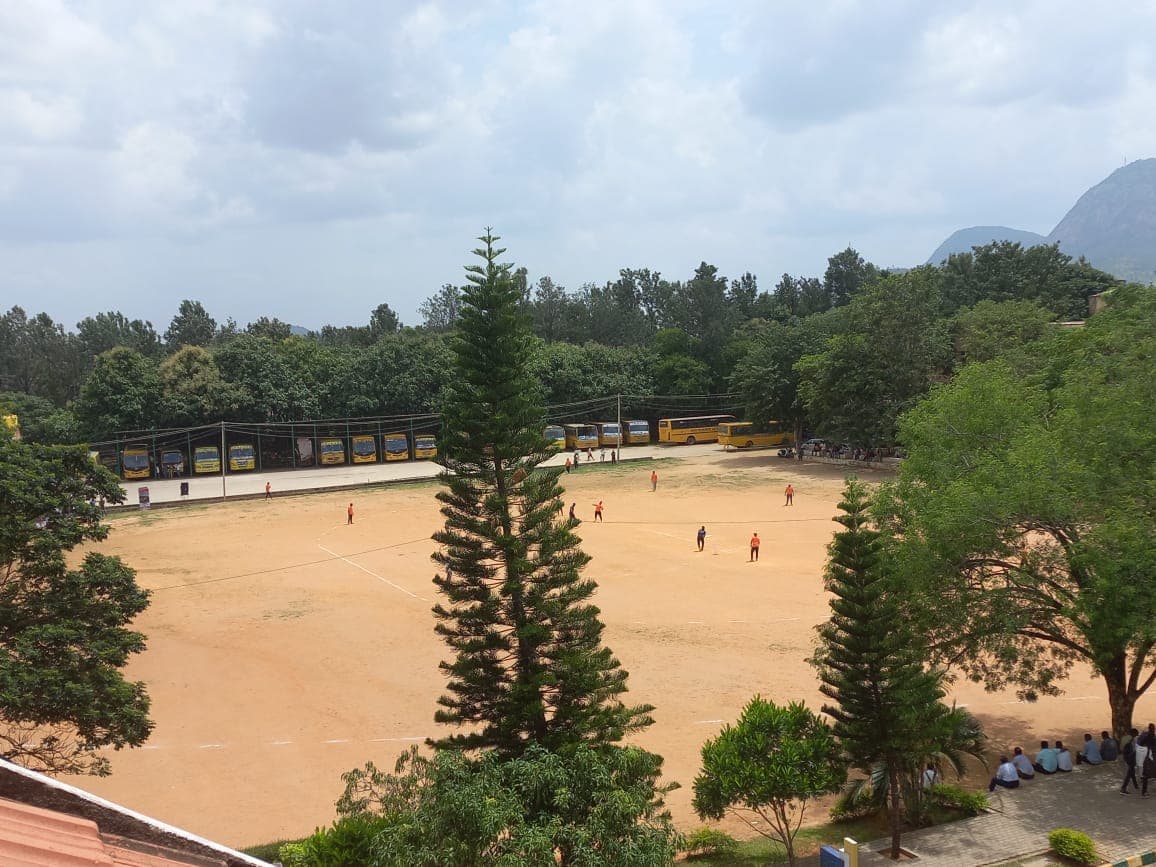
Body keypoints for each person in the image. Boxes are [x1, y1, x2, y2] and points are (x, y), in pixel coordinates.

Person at [1122, 727, 1141, 793]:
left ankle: (1136, 785)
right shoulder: (1132, 741)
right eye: (1136, 734)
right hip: (1130, 759)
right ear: (1134, 734)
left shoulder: (1130, 740)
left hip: (1128, 758)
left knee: (1132, 772)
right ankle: (1123, 788)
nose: (1137, 735)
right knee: (1129, 774)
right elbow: (1133, 751)